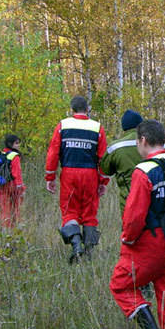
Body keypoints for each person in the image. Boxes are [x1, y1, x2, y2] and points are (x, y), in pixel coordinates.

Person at [109, 119, 165, 329]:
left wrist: (128, 239)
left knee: (121, 286)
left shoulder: (144, 171)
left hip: (149, 243)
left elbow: (134, 216)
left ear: (143, 140)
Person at [45, 96, 109, 263]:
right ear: (87, 109)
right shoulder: (97, 127)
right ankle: (88, 252)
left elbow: (53, 153)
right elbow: (103, 157)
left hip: (69, 173)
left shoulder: (63, 125)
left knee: (69, 211)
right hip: (90, 174)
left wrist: (50, 176)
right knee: (89, 212)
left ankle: (76, 246)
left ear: (72, 109)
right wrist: (103, 181)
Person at [99, 109, 144, 212]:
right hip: (153, 197)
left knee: (129, 226)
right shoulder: (154, 142)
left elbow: (105, 170)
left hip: (128, 198)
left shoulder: (115, 147)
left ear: (124, 127)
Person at [0, 134, 25, 229]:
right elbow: (17, 173)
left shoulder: (1, 154)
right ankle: (16, 229)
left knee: (5, 210)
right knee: (17, 210)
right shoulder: (14, 156)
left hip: (2, 185)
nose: (18, 145)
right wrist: (20, 187)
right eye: (16, 143)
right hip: (13, 186)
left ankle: (6, 229)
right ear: (10, 144)